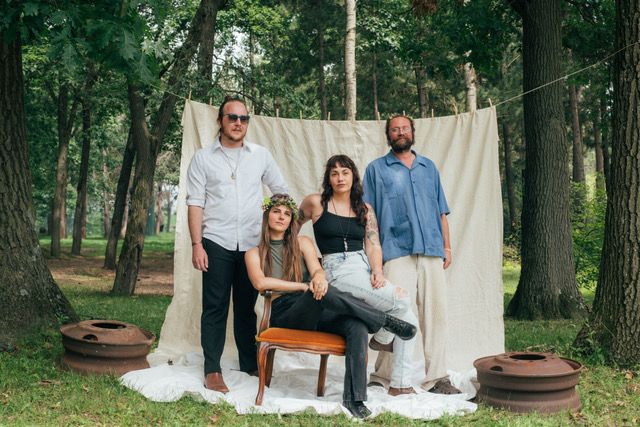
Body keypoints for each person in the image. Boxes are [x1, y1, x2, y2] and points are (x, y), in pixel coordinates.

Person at [245, 194, 416, 419]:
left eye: (287, 214)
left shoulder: (302, 243)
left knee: (355, 324)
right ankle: (383, 320)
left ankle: (355, 400)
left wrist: (318, 278)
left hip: (316, 305)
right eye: (276, 212)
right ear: (268, 216)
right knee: (321, 292)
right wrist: (303, 287)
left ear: (291, 220)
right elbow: (261, 282)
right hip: (286, 312)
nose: (282, 217)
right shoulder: (253, 253)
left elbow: (317, 270)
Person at [186, 97, 288, 393]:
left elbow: (281, 192)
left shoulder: (260, 155)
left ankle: (249, 364)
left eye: (243, 118)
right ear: (220, 120)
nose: (238, 123)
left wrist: (269, 218)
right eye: (232, 117)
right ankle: (212, 369)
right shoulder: (203, 158)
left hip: (252, 246)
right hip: (215, 241)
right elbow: (195, 203)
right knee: (214, 307)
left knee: (246, 308)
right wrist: (196, 244)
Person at [299, 155, 419, 396]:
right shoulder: (315, 203)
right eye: (334, 173)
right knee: (402, 301)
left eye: (345, 172)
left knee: (410, 319)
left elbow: (373, 244)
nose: (340, 177)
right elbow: (290, 230)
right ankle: (384, 338)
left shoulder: (365, 209)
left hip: (362, 267)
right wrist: (305, 260)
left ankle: (400, 385)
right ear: (328, 179)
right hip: (335, 268)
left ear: (353, 176)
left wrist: (377, 271)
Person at [363, 114, 460, 394]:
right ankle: (382, 375)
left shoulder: (429, 167)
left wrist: (447, 246)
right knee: (394, 313)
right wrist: (375, 259)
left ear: (413, 132)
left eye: (404, 128)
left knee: (435, 315)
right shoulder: (376, 169)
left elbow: (441, 210)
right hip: (395, 250)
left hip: (431, 249)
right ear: (388, 135)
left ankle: (438, 378)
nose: (400, 132)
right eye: (395, 129)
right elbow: (369, 216)